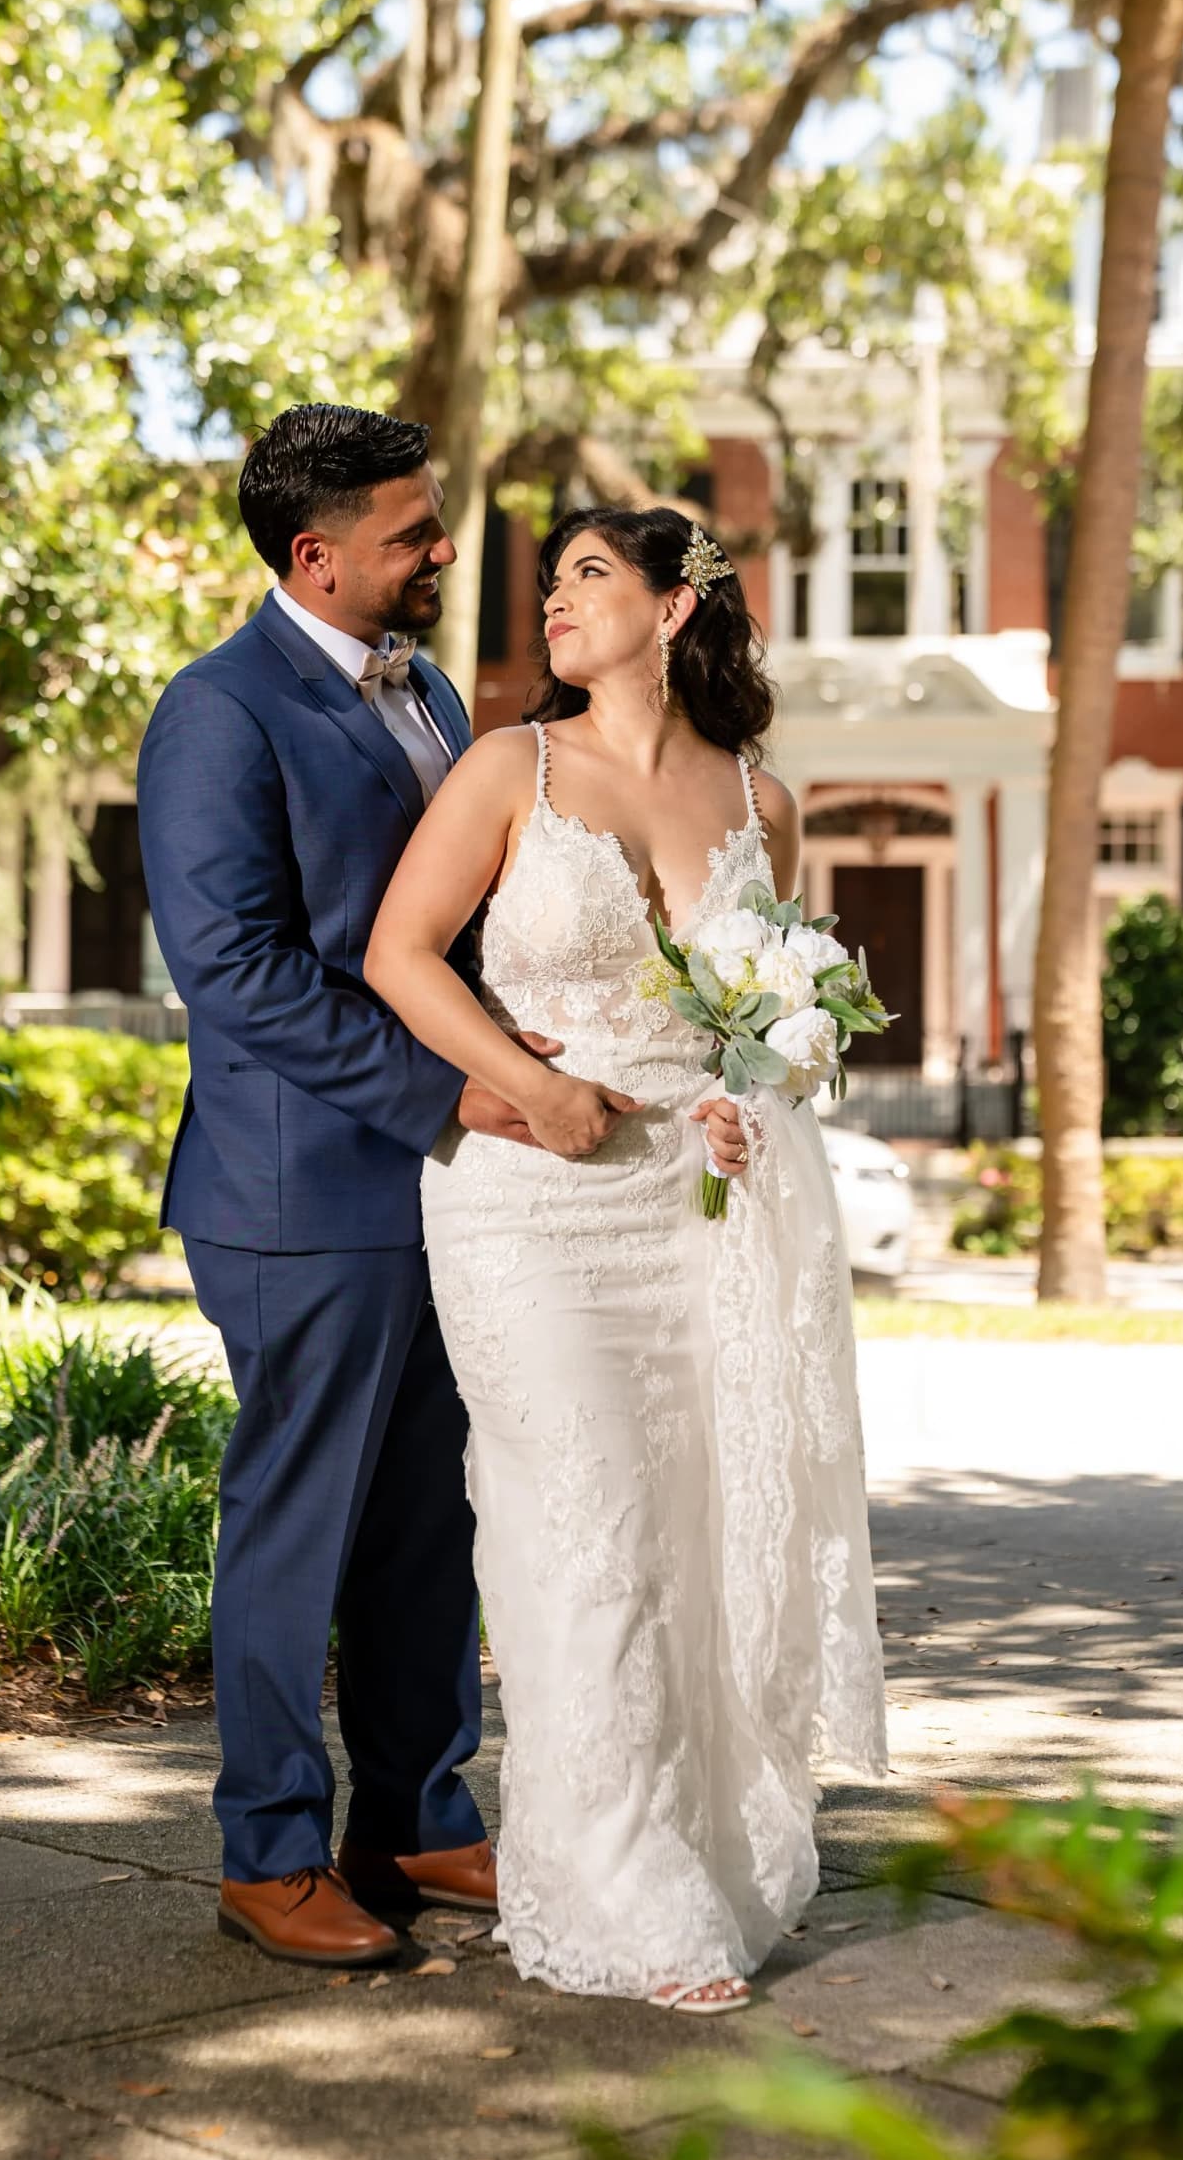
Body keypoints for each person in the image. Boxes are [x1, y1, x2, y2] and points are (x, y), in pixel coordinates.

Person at [137, 405, 753, 1969]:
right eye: (413, 531)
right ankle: (270, 1850)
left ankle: (413, 1813)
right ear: (316, 556)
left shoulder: (422, 692)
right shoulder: (219, 711)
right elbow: (237, 971)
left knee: (427, 1523)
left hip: (467, 1192)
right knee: (297, 1526)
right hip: (303, 1193)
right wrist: (457, 1086)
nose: (444, 549)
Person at [365, 504, 887, 2014]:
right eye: (551, 581)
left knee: (689, 1538)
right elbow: (399, 955)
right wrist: (521, 1086)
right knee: (583, 1520)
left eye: (589, 574)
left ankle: (699, 1846)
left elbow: (764, 1023)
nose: (555, 599)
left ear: (673, 608)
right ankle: (623, 1888)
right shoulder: (507, 768)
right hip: (526, 1199)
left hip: (692, 1211)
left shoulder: (760, 800)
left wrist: (745, 1102)